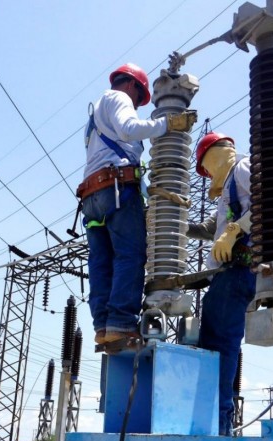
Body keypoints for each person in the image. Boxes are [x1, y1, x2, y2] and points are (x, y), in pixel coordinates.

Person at [77, 62, 196, 345]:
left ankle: (104, 327)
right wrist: (168, 123)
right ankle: (120, 323)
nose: (137, 106)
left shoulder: (93, 120)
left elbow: (115, 152)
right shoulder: (117, 97)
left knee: (101, 263)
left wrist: (149, 190)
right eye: (139, 100)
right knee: (129, 256)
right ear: (132, 86)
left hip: (92, 196)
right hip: (116, 190)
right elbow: (130, 129)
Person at [188, 131, 255, 436]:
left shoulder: (242, 168)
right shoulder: (229, 187)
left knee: (217, 347)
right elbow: (211, 229)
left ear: (213, 155)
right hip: (230, 273)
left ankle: (218, 426)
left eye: (205, 168)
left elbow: (269, 202)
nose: (207, 175)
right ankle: (218, 422)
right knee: (217, 343)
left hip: (238, 269)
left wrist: (235, 230)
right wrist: (178, 224)